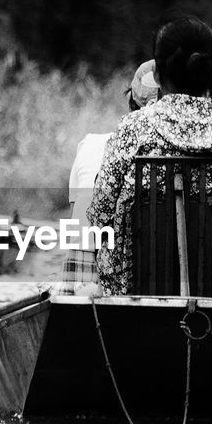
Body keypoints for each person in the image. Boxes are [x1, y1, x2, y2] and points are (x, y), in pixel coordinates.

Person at [90, 17, 212, 304]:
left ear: (156, 74)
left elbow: (99, 216)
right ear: (211, 69)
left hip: (136, 304)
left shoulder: (130, 131)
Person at [52, 59, 159, 295]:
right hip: (143, 276)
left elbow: (80, 214)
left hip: (86, 275)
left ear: (132, 102)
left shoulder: (91, 144)